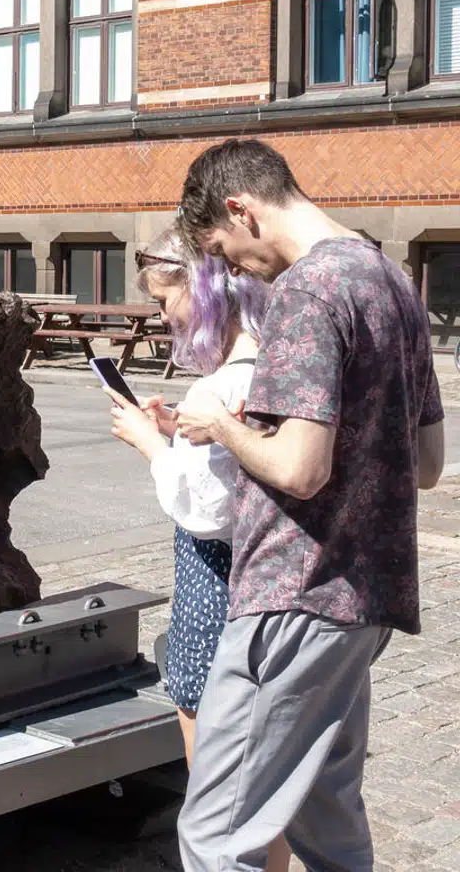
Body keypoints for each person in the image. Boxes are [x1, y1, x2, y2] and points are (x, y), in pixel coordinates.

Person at [169, 138, 446, 872]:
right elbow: (426, 464)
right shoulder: (392, 281)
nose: (233, 271)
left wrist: (221, 426)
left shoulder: (306, 290)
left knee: (218, 834)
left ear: (241, 210)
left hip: (293, 596)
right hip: (364, 600)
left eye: (223, 252)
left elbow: (299, 469)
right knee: (326, 816)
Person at [104, 224, 291, 872]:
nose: (163, 316)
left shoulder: (216, 390)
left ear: (203, 289)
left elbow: (207, 510)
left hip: (216, 598)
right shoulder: (272, 367)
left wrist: (150, 444)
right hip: (267, 594)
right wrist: (173, 430)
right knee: (266, 788)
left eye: (164, 300)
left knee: (216, 789)